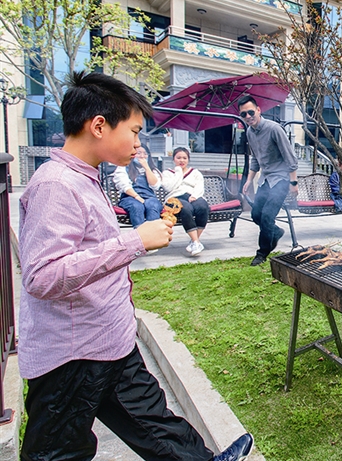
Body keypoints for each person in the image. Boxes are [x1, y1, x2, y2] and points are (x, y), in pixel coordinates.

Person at [18, 71, 253, 461]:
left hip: (110, 337)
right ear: (98, 126)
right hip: (73, 355)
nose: (138, 142)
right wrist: (135, 241)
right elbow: (42, 276)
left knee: (154, 420)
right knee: (58, 452)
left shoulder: (87, 176)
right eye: (135, 130)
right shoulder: (55, 185)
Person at [238, 95, 299, 266]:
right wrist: (249, 180)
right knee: (256, 214)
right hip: (265, 179)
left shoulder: (274, 129)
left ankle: (262, 253)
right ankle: (276, 232)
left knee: (266, 216)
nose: (248, 117)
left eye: (251, 112)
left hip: (281, 179)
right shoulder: (250, 132)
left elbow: (290, 158)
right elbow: (255, 159)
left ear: (258, 110)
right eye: (244, 114)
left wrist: (293, 183)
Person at [162, 147, 210, 256]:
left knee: (202, 206)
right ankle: (196, 242)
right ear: (173, 159)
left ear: (188, 159)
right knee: (186, 208)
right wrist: (178, 172)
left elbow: (199, 186)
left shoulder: (195, 172)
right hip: (175, 197)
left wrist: (195, 196)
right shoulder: (168, 173)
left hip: (193, 196)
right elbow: (169, 188)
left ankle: (194, 241)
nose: (181, 160)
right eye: (178, 158)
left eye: (184, 158)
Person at [114, 143, 163, 229]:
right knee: (137, 206)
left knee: (152, 205)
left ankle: (154, 234)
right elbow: (124, 186)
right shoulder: (123, 168)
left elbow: (155, 185)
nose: (142, 156)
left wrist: (147, 168)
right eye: (139, 153)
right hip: (129, 198)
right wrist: (137, 197)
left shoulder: (153, 170)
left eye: (145, 153)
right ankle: (140, 235)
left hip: (149, 198)